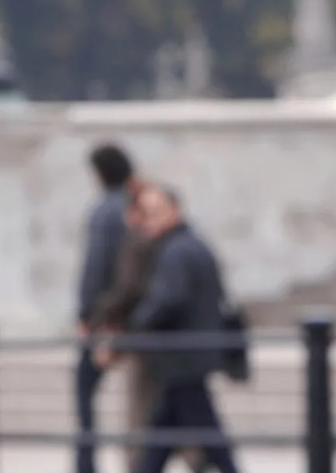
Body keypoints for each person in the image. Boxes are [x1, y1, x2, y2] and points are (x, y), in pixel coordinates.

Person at [89, 180, 209, 473]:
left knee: (151, 415)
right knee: (171, 417)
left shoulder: (160, 245)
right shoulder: (178, 242)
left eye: (155, 211)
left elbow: (142, 293)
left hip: (158, 345)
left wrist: (112, 329)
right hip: (166, 346)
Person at [129, 187, 239, 473]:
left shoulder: (177, 251)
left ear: (174, 211)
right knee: (164, 433)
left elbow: (169, 298)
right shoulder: (189, 245)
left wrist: (138, 321)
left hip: (182, 358)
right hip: (187, 358)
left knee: (203, 434)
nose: (148, 222)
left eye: (155, 213)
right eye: (146, 214)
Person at [75, 143, 133, 473]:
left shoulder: (106, 211)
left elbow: (95, 267)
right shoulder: (131, 205)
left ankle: (86, 464)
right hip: (130, 312)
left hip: (106, 316)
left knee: (85, 390)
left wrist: (86, 314)